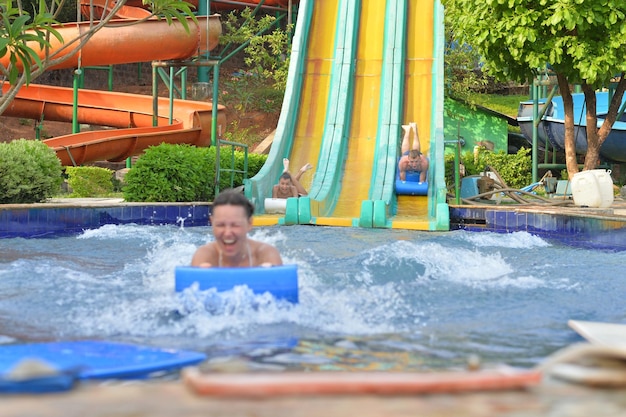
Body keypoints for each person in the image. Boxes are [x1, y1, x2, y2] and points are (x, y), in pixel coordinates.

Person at [191, 189, 283, 268]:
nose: (227, 233)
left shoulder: (265, 255)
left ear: (249, 223)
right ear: (212, 223)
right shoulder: (204, 256)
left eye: (235, 225)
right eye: (220, 225)